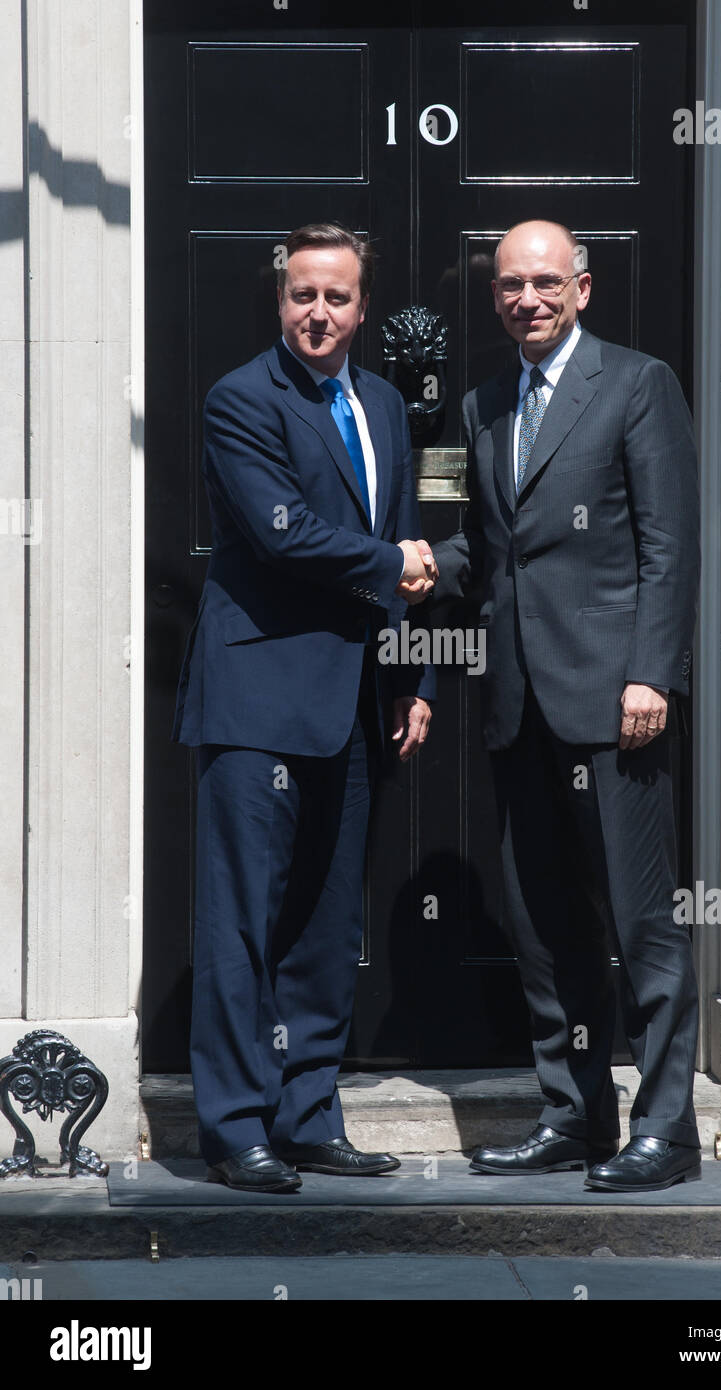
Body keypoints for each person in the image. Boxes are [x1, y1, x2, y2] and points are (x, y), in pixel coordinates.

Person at [423, 219, 702, 1192]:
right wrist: (410, 566)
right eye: (511, 285)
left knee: (642, 924)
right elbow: (485, 552)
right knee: (546, 927)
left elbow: (669, 543)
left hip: (612, 700)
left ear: (582, 287)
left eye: (545, 282)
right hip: (518, 702)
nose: (527, 299)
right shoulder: (482, 403)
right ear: (493, 295)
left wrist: (649, 674)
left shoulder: (637, 384)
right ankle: (574, 1114)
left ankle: (666, 1128)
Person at [172, 223, 435, 1192]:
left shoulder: (383, 405)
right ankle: (236, 1123)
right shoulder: (241, 398)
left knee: (329, 922)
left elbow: (405, 539)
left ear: (363, 308)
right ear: (280, 300)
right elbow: (284, 534)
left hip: (355, 698)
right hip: (258, 698)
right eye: (301, 295)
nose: (316, 313)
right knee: (243, 921)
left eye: (335, 297)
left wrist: (414, 679)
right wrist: (389, 565)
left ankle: (307, 1108)